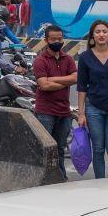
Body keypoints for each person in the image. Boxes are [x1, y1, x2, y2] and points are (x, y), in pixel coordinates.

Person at [77, 20, 108, 178]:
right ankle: (99, 184)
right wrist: (81, 113)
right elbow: (81, 86)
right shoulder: (85, 57)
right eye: (97, 32)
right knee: (98, 149)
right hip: (93, 109)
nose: (101, 34)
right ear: (92, 35)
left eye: (104, 31)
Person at [33, 24, 78, 180]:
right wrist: (66, 81)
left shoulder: (68, 58)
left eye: (60, 38)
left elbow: (76, 78)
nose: (57, 41)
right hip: (45, 112)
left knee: (60, 148)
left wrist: (52, 79)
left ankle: (60, 178)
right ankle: (43, 179)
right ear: (46, 40)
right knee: (45, 149)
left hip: (64, 112)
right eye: (53, 39)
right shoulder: (40, 60)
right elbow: (44, 86)